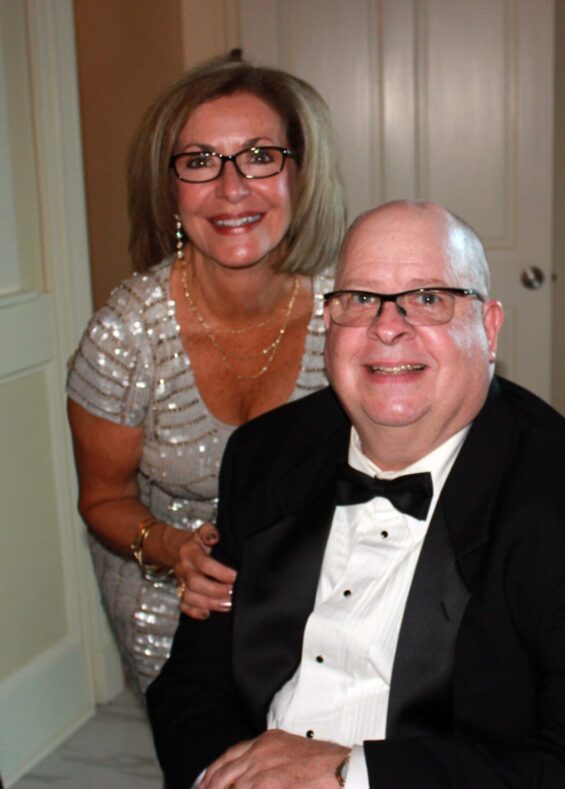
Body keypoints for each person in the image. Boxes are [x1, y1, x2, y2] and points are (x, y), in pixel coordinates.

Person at [146, 200, 565, 788]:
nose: (388, 327)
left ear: (489, 327)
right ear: (330, 325)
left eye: (429, 298)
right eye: (360, 300)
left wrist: (350, 775)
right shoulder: (265, 453)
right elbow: (192, 683)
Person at [66, 53, 346, 692]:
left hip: (321, 595)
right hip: (163, 603)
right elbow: (103, 498)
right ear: (169, 189)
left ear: (300, 175)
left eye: (260, 156)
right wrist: (174, 549)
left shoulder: (350, 314)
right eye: (199, 162)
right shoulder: (124, 335)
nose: (232, 188)